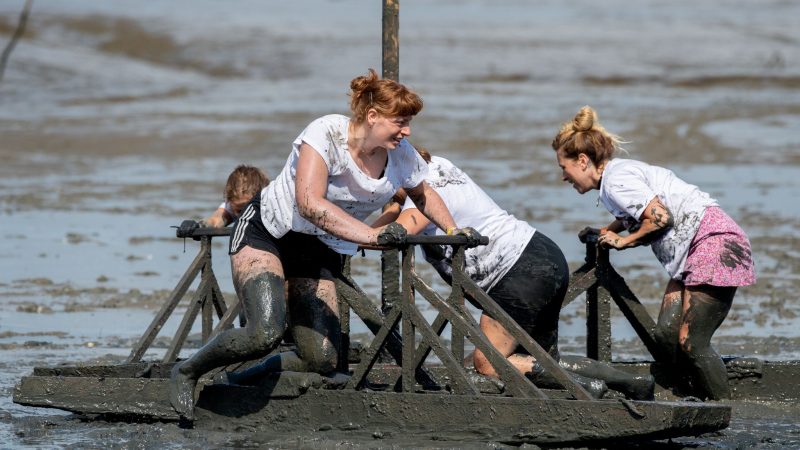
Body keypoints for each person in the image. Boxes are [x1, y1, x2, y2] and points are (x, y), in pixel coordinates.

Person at [169, 69, 473, 420]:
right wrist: (372, 236)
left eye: (408, 124)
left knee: (322, 359)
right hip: (269, 233)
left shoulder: (401, 154)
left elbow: (423, 194)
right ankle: (188, 371)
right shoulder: (326, 132)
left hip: (317, 249)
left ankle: (244, 375)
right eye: (400, 122)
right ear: (372, 117)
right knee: (264, 331)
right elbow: (309, 204)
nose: (406, 132)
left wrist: (452, 227)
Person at [377, 147, 654, 400]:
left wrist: (381, 211)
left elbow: (389, 235)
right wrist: (394, 203)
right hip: (543, 252)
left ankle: (587, 388)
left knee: (487, 363)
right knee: (545, 358)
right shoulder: (439, 165)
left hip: (518, 274)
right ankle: (634, 383)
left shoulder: (422, 199)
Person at [551, 105, 756, 400]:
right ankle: (693, 392)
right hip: (694, 253)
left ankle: (722, 410)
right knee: (667, 335)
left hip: (715, 245)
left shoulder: (617, 181)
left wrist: (624, 242)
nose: (564, 177)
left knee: (692, 342)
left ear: (582, 161)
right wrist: (610, 229)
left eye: (564, 168)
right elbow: (632, 211)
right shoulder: (614, 180)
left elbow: (660, 217)